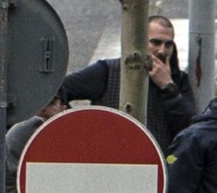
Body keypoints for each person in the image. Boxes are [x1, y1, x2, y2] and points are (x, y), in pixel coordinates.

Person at [62, 15, 195, 153]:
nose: (162, 50)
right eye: (155, 43)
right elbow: (59, 89)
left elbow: (190, 129)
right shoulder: (107, 71)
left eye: (168, 44)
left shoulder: (178, 81)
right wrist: (79, 128)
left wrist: (168, 87)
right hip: (110, 161)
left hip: (157, 166)